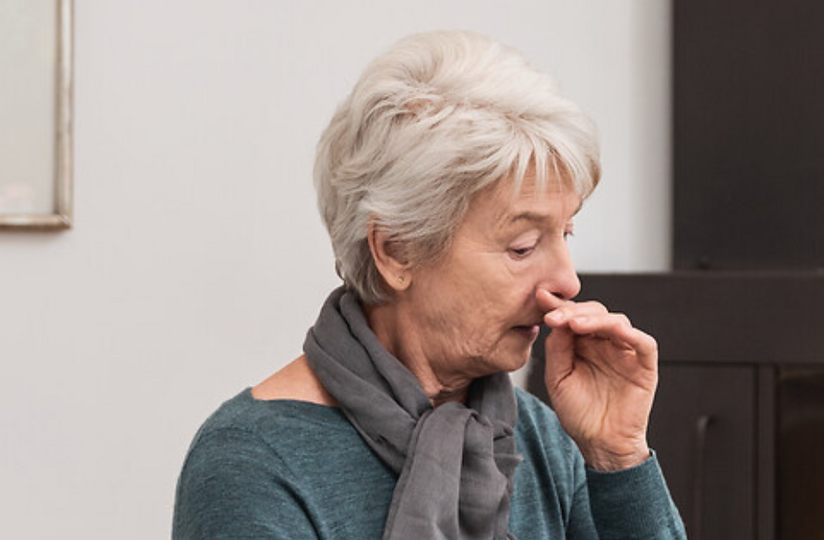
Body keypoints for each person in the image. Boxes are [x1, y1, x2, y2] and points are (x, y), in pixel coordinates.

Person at [173, 30, 686, 540]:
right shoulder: (253, 463)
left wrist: (617, 456)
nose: (567, 281)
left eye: (566, 232)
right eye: (523, 246)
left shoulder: (541, 435)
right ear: (396, 250)